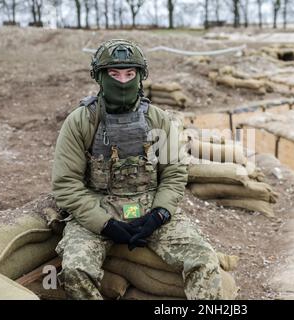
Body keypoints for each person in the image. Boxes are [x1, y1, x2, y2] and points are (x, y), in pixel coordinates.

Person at [52, 39, 224, 300]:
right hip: (98, 209)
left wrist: (160, 214)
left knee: (204, 260)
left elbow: (174, 172)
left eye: (130, 74)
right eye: (114, 73)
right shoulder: (81, 122)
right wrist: (105, 224)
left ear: (140, 76)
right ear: (99, 76)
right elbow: (66, 184)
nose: (123, 81)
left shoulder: (157, 119)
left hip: (150, 205)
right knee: (75, 269)